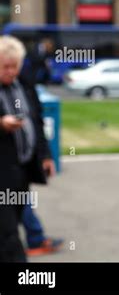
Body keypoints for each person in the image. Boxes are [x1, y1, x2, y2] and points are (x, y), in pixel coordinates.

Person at [0, 35, 56, 262]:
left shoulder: (23, 83)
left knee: (13, 221)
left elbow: (37, 119)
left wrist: (45, 155)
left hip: (21, 171)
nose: (11, 71)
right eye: (6, 67)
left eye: (15, 66)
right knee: (9, 234)